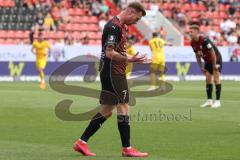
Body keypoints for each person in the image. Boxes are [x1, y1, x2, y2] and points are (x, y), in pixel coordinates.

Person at [73, 2, 149, 157]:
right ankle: (127, 148)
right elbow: (109, 52)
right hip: (113, 72)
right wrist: (130, 60)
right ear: (130, 11)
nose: (137, 22)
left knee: (107, 110)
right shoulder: (113, 27)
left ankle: (81, 142)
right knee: (124, 106)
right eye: (137, 18)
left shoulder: (121, 27)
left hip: (113, 71)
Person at [189, 24, 222, 108]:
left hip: (216, 59)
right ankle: (209, 101)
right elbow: (197, 55)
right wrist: (201, 67)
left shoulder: (204, 40)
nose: (190, 33)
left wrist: (214, 65)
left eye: (191, 32)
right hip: (207, 61)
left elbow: (213, 53)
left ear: (196, 32)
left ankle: (218, 101)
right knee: (207, 79)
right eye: (189, 32)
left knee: (216, 79)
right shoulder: (192, 43)